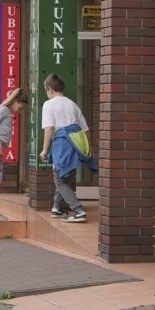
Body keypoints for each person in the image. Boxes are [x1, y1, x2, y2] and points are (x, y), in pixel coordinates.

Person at [39, 73, 98, 223]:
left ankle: (78, 211)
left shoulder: (49, 105)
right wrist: (88, 148)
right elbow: (85, 129)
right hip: (75, 144)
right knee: (66, 176)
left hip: (62, 144)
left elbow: (49, 129)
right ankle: (57, 208)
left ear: (50, 89)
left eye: (46, 89)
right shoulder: (72, 104)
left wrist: (45, 149)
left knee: (59, 180)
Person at [0, 87, 29, 217]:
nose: (19, 111)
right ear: (15, 102)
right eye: (19, 107)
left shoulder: (7, 112)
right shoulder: (4, 110)